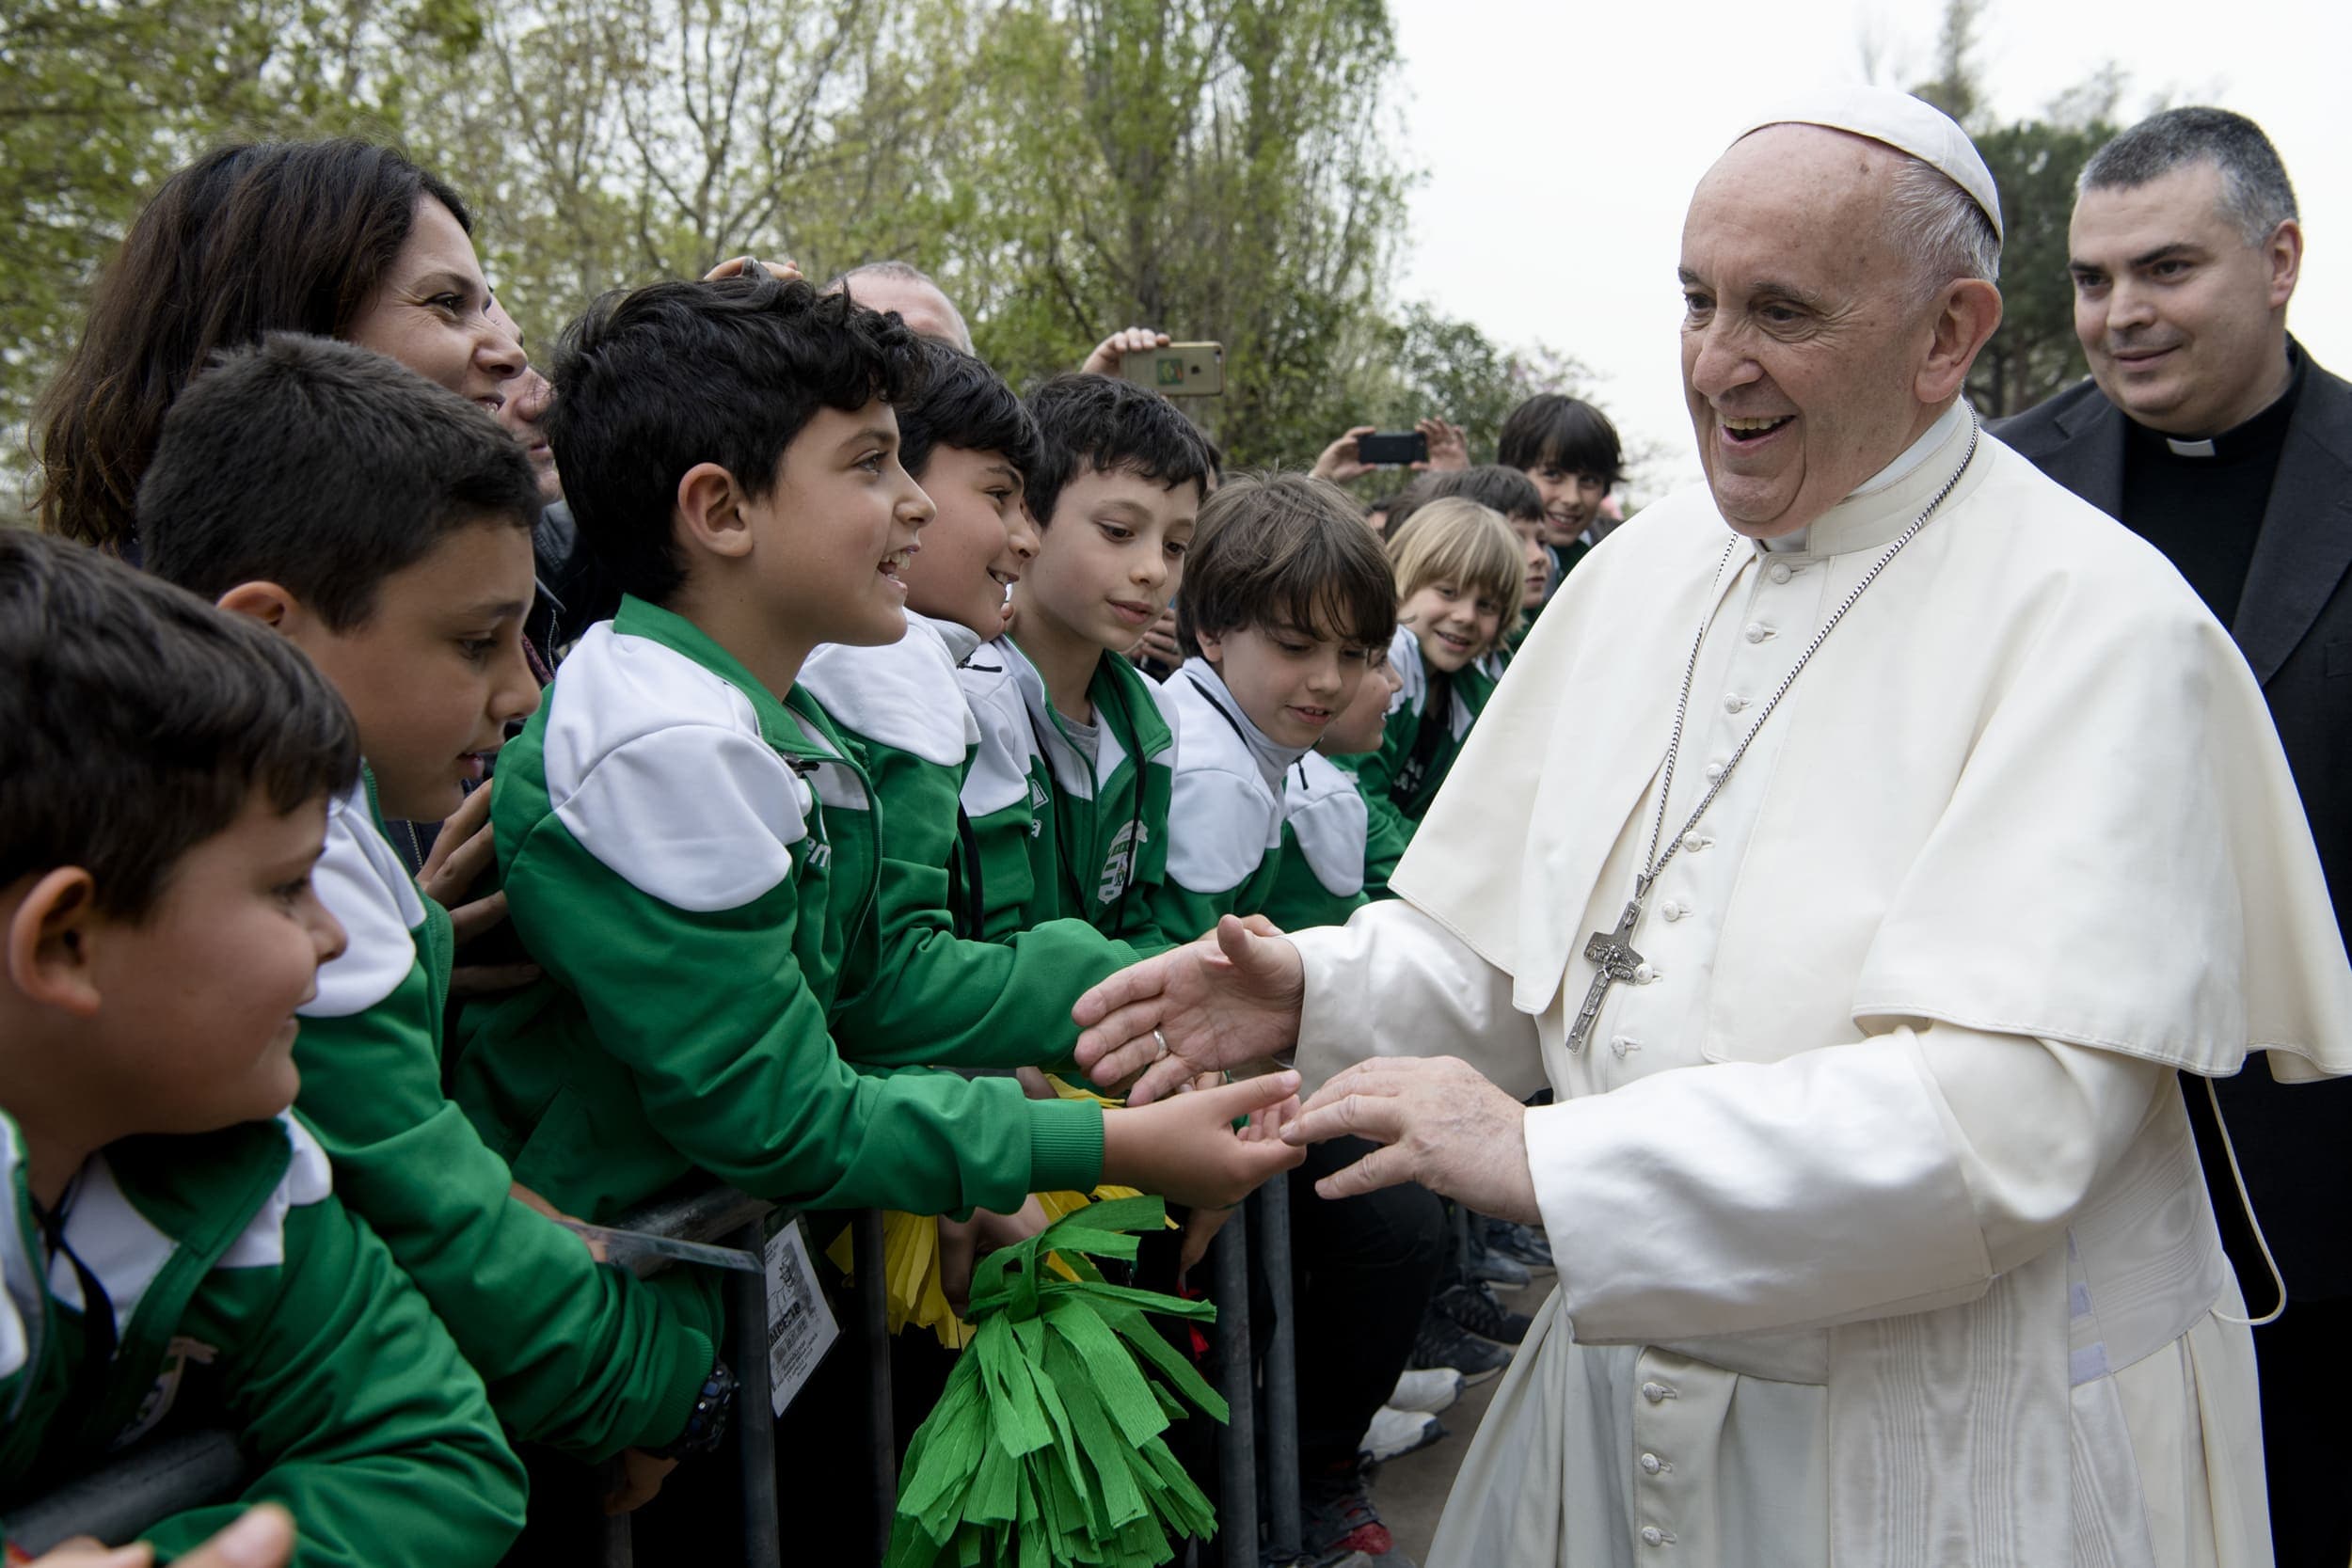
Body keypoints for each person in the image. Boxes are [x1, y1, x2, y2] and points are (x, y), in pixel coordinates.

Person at [1071, 86, 2352, 1566]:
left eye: (1782, 311)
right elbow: (1530, 944)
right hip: (1628, 1385)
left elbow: (2000, 1124)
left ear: (1948, 334)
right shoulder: (1639, 577)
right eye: (1696, 300)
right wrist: (1328, 988)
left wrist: (1555, 1162)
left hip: (1938, 1430)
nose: (1714, 363)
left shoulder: (2101, 622)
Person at [451, 276, 1300, 1242]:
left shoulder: (762, 708)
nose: (915, 505)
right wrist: (1109, 1144)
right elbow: (785, 1116)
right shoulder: (665, 742)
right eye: (870, 465)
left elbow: (875, 979)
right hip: (589, 1320)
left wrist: (1159, 986)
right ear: (721, 510)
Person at [136, 333, 723, 1512]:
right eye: (473, 642)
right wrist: (674, 1387)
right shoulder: (307, 877)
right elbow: (432, 1208)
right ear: (270, 631)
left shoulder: (330, 833)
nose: (525, 691)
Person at [0, 531, 525, 1565]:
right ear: (67, 942)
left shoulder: (238, 1152)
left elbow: (431, 1452)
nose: (332, 936)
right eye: (287, 887)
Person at [1994, 104, 2352, 1567]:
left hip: (2325, 1151)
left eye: (2166, 269)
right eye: (2092, 279)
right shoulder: (2000, 491)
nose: (2120, 314)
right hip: (2067, 1152)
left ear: (2279, 260)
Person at [35, 139, 525, 559]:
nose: (512, 354)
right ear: (291, 325)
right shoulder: (126, 652)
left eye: (484, 307)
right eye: (446, 302)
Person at [958, 372, 1218, 949]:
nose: (1154, 570)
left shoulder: (1151, 716)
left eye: (1176, 546)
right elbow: (979, 948)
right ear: (1027, 517)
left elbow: (1137, 917)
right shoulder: (967, 701)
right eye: (1119, 531)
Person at [1146, 471, 1395, 942]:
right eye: (1296, 646)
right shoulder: (1222, 780)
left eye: (1353, 654)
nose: (1329, 681)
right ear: (1212, 632)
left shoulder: (1209, 723)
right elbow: (1187, 967)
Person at [1339, 498, 1524, 899]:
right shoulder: (1387, 659)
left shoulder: (1474, 696)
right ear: (1403, 580)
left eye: (1487, 605)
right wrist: (1431, 872)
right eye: (1447, 591)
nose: (1466, 616)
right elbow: (1352, 798)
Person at [1496, 392, 1624, 585]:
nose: (1572, 499)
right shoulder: (1483, 550)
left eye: (1589, 480)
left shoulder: (1623, 551)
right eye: (1553, 475)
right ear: (1513, 473)